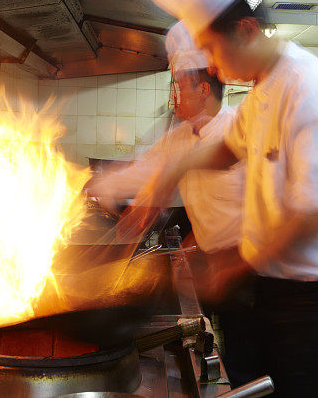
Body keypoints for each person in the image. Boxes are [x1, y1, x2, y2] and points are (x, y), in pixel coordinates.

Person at [135, 0, 318, 396]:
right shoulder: (263, 92)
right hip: (280, 297)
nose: (213, 66)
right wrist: (173, 170)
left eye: (213, 50)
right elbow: (227, 150)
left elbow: (312, 211)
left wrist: (236, 264)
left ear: (245, 30)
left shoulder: (309, 87)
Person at [89, 22, 254, 384]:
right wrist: (94, 184)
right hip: (217, 269)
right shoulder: (179, 137)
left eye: (179, 86)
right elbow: (146, 171)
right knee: (229, 349)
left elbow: (261, 209)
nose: (174, 95)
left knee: (248, 359)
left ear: (203, 88)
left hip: (250, 272)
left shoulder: (235, 133)